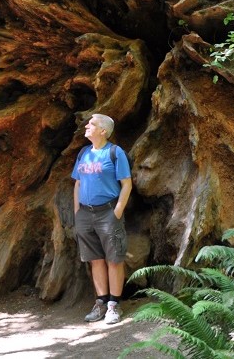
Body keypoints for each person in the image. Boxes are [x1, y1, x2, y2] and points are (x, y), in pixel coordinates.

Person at [72, 113, 132, 324]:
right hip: (85, 214)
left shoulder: (115, 153)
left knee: (114, 259)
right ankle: (100, 303)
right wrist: (77, 211)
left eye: (92, 124)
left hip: (108, 212)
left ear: (103, 131)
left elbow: (126, 184)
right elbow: (78, 183)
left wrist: (117, 211)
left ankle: (114, 306)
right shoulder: (83, 153)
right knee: (95, 260)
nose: (87, 126)